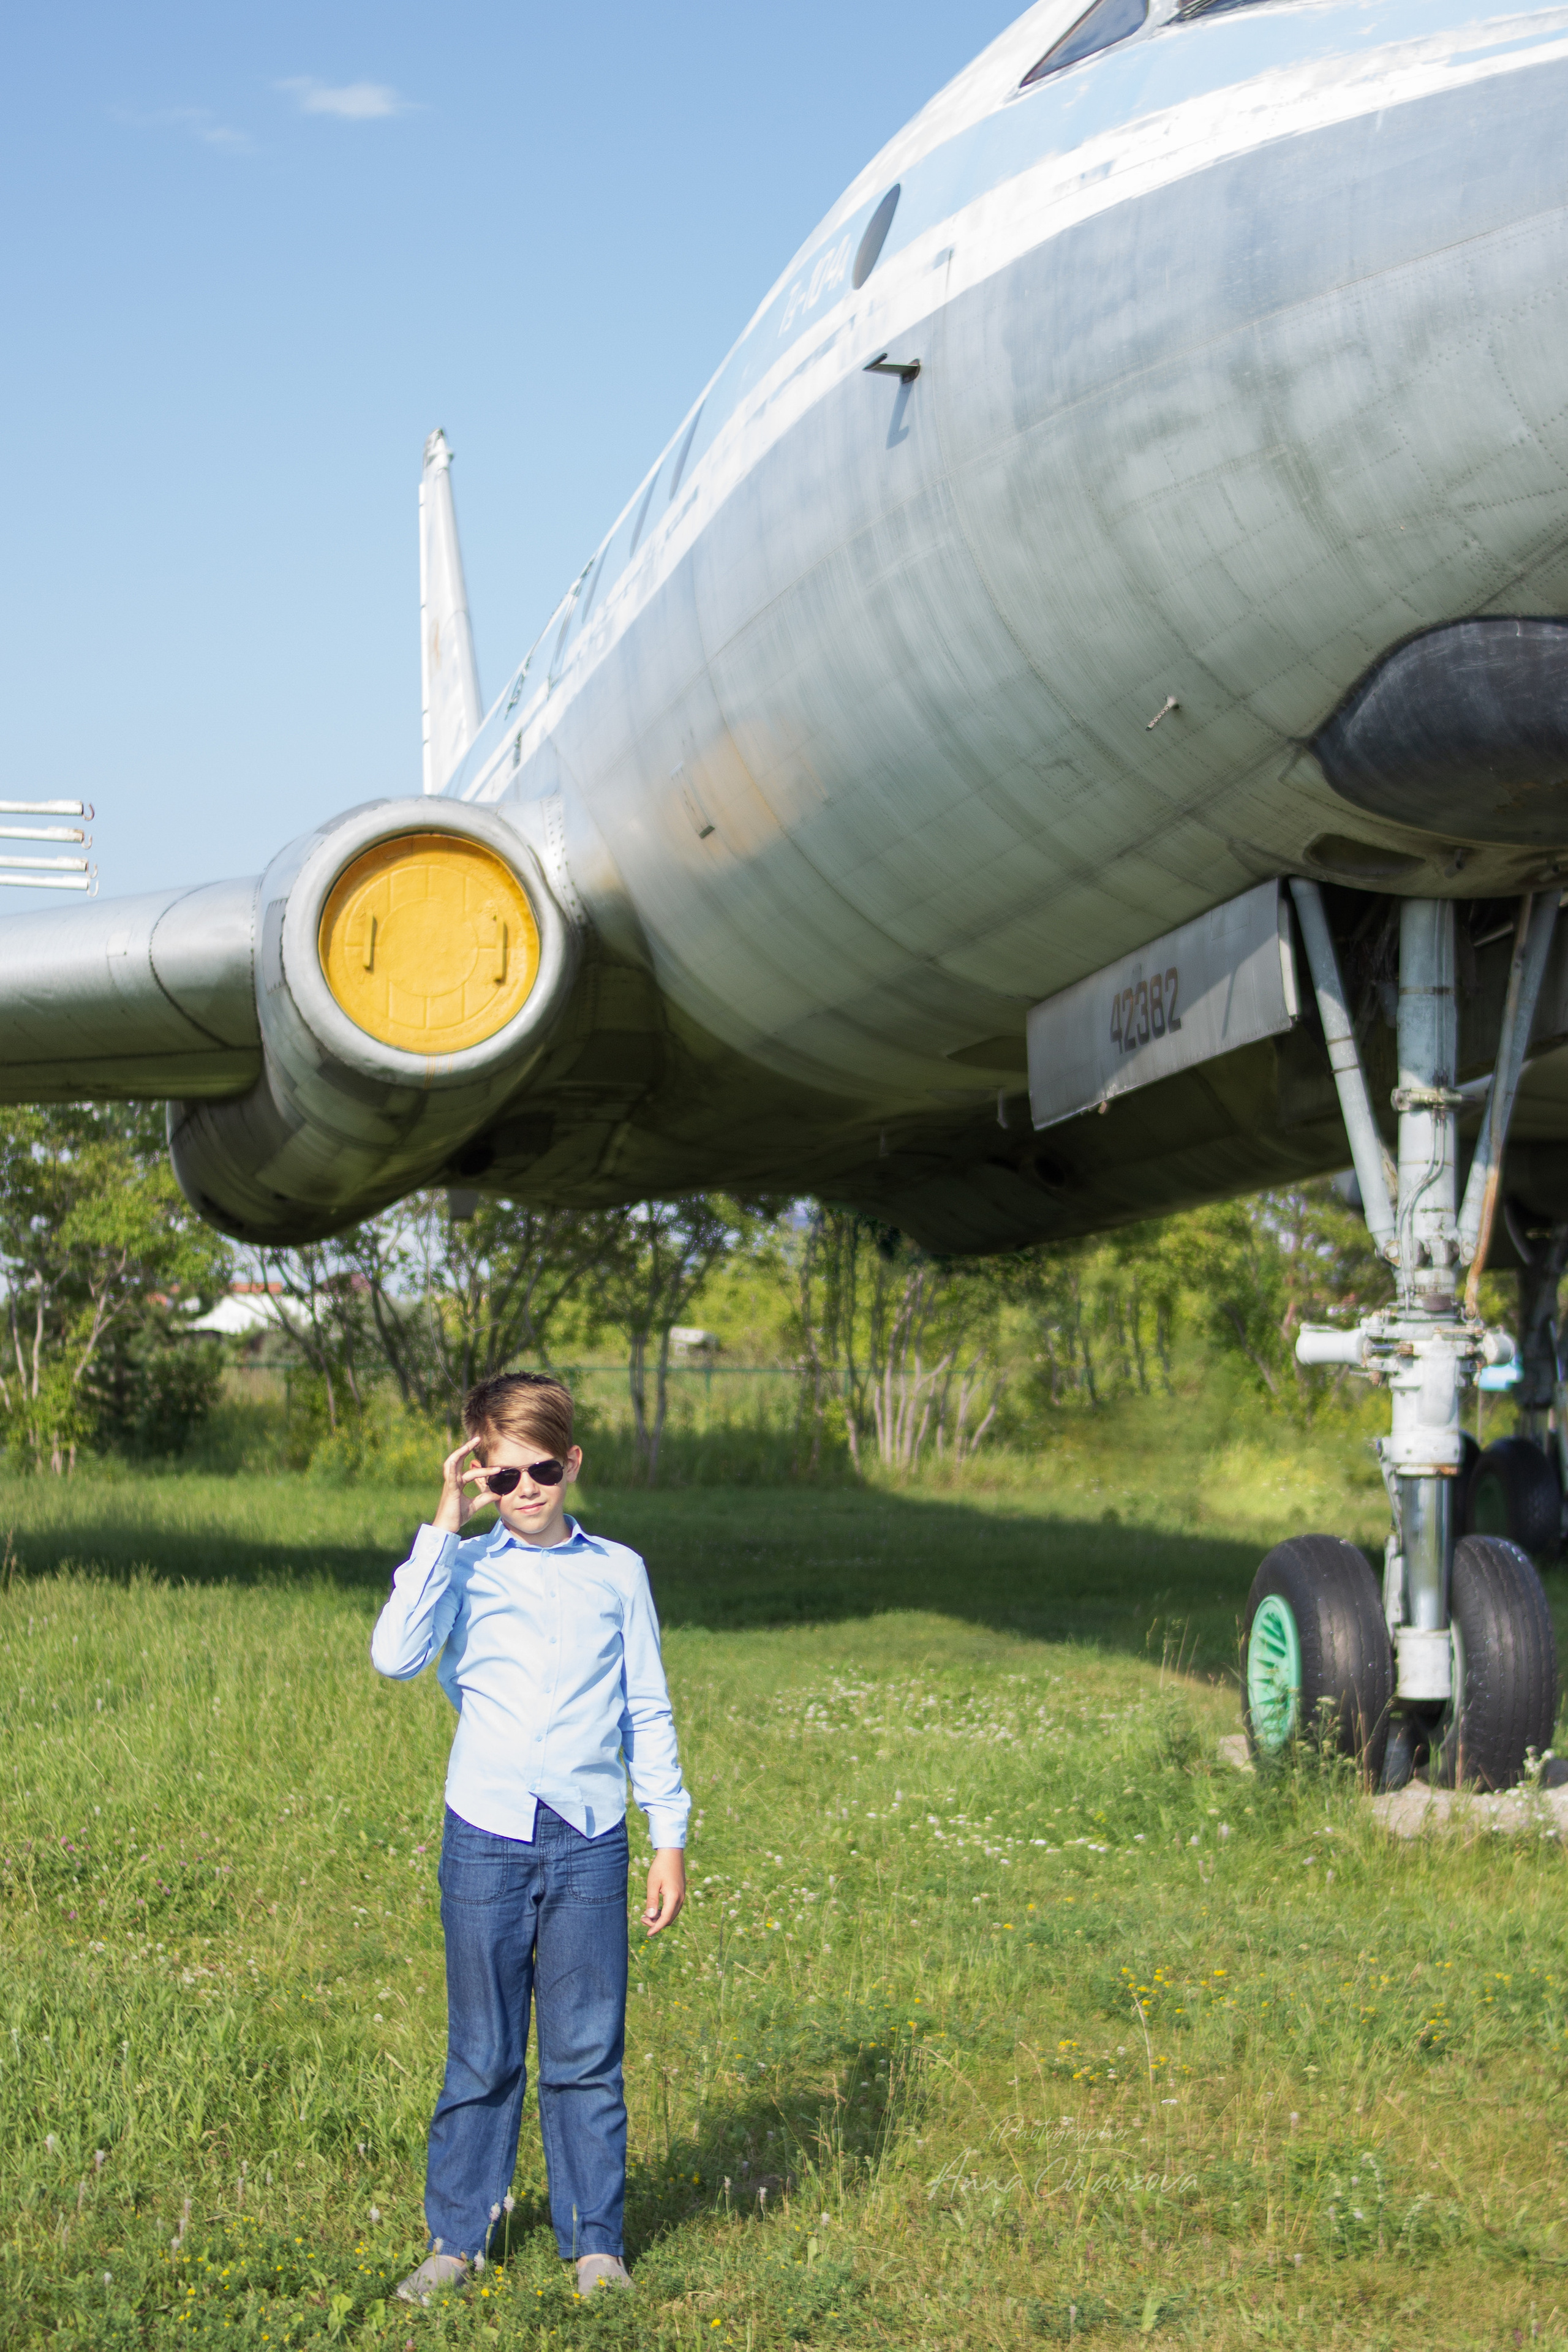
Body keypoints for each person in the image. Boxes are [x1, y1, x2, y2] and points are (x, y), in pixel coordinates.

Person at [370, 1370, 689, 2307]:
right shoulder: (464, 1568)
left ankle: (597, 2246)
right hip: (486, 1835)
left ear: (572, 1461)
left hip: (590, 1839)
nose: (526, 1492)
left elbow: (648, 1709)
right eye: (501, 1477)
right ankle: (456, 2241)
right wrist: (440, 1524)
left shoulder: (617, 1572)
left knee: (587, 2050)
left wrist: (667, 1835)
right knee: (483, 2048)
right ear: (479, 1476)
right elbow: (395, 1657)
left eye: (541, 1470)